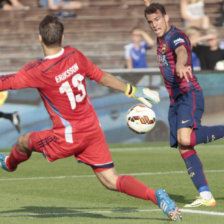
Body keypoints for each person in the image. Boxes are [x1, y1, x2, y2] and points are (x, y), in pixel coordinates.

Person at [0, 15, 182, 221]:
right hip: (92, 130)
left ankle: (9, 164)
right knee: (111, 180)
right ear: (61, 36)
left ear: (40, 38)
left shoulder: (38, 70)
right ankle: (156, 196)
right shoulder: (74, 55)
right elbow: (101, 76)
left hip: (66, 137)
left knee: (23, 141)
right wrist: (133, 90)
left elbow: (6, 82)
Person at [144, 0, 224, 207]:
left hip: (190, 93)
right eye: (150, 21)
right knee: (184, 146)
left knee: (185, 138)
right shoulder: (159, 36)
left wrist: (181, 63)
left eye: (157, 19)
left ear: (167, 18)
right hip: (176, 99)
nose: (154, 24)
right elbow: (152, 10)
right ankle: (205, 195)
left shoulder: (175, 36)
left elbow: (182, 51)